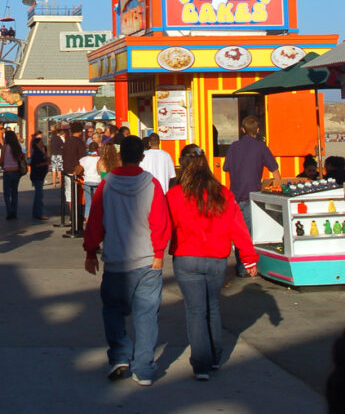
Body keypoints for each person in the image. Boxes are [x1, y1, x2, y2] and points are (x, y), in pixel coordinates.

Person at [83, 134, 170, 386]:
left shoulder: (106, 184)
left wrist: (90, 250)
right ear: (142, 157)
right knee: (146, 315)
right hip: (147, 260)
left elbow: (95, 221)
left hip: (116, 260)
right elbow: (160, 223)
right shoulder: (152, 184)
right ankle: (143, 368)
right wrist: (158, 254)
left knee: (112, 310)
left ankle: (120, 355)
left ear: (120, 156)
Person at [167, 144, 257, 380]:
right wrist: (248, 258)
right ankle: (216, 356)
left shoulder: (176, 194)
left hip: (186, 257)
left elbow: (165, 226)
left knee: (195, 311)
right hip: (216, 258)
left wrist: (155, 252)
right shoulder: (223, 193)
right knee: (212, 307)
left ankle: (201, 364)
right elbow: (238, 228)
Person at [223, 115, 281, 277]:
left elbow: (226, 168)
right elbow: (274, 170)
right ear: (257, 130)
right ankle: (247, 267)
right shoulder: (261, 147)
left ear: (242, 130)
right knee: (248, 233)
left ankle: (241, 265)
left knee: (237, 232)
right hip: (252, 196)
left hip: (234, 195)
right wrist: (279, 188)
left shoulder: (234, 147)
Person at [62, 122, 86, 231]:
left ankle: (72, 216)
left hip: (67, 170)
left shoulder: (67, 141)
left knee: (69, 195)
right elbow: (83, 158)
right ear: (81, 131)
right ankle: (77, 217)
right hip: (76, 171)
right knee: (77, 195)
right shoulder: (79, 142)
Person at [0, 129, 26, 220]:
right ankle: (14, 211)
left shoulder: (4, 147)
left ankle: (9, 211)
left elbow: (1, 160)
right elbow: (21, 158)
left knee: (6, 193)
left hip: (7, 171)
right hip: (16, 171)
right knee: (14, 193)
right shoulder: (17, 147)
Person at [78, 140, 101, 222]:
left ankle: (88, 223)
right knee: (98, 203)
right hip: (98, 181)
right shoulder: (100, 159)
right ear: (97, 149)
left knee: (88, 204)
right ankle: (97, 221)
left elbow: (78, 171)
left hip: (87, 181)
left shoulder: (83, 159)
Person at [30, 136, 49, 220]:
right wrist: (45, 163)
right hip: (37, 175)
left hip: (39, 176)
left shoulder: (39, 152)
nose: (42, 144)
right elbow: (36, 164)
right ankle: (39, 213)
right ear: (37, 144)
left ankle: (36, 212)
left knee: (38, 195)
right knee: (39, 195)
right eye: (41, 142)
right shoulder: (37, 153)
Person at [48, 123, 64, 189]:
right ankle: (60, 183)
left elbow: (50, 147)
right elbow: (62, 146)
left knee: (54, 170)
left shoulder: (51, 139)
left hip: (53, 155)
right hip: (59, 155)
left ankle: (54, 184)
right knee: (59, 170)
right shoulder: (59, 139)